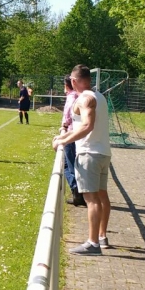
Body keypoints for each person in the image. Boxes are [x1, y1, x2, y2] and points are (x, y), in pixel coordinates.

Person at [52, 65, 113, 255]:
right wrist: (64, 136)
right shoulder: (100, 96)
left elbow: (87, 125)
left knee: (91, 199)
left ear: (74, 81)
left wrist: (64, 140)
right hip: (103, 153)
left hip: (89, 154)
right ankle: (101, 237)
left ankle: (93, 243)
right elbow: (82, 126)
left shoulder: (85, 98)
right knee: (102, 196)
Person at [61, 75, 85, 207]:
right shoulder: (79, 96)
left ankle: (77, 193)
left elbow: (68, 114)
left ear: (66, 85)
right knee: (72, 164)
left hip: (71, 133)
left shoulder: (72, 97)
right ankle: (79, 192)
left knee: (68, 164)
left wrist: (64, 125)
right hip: (76, 133)